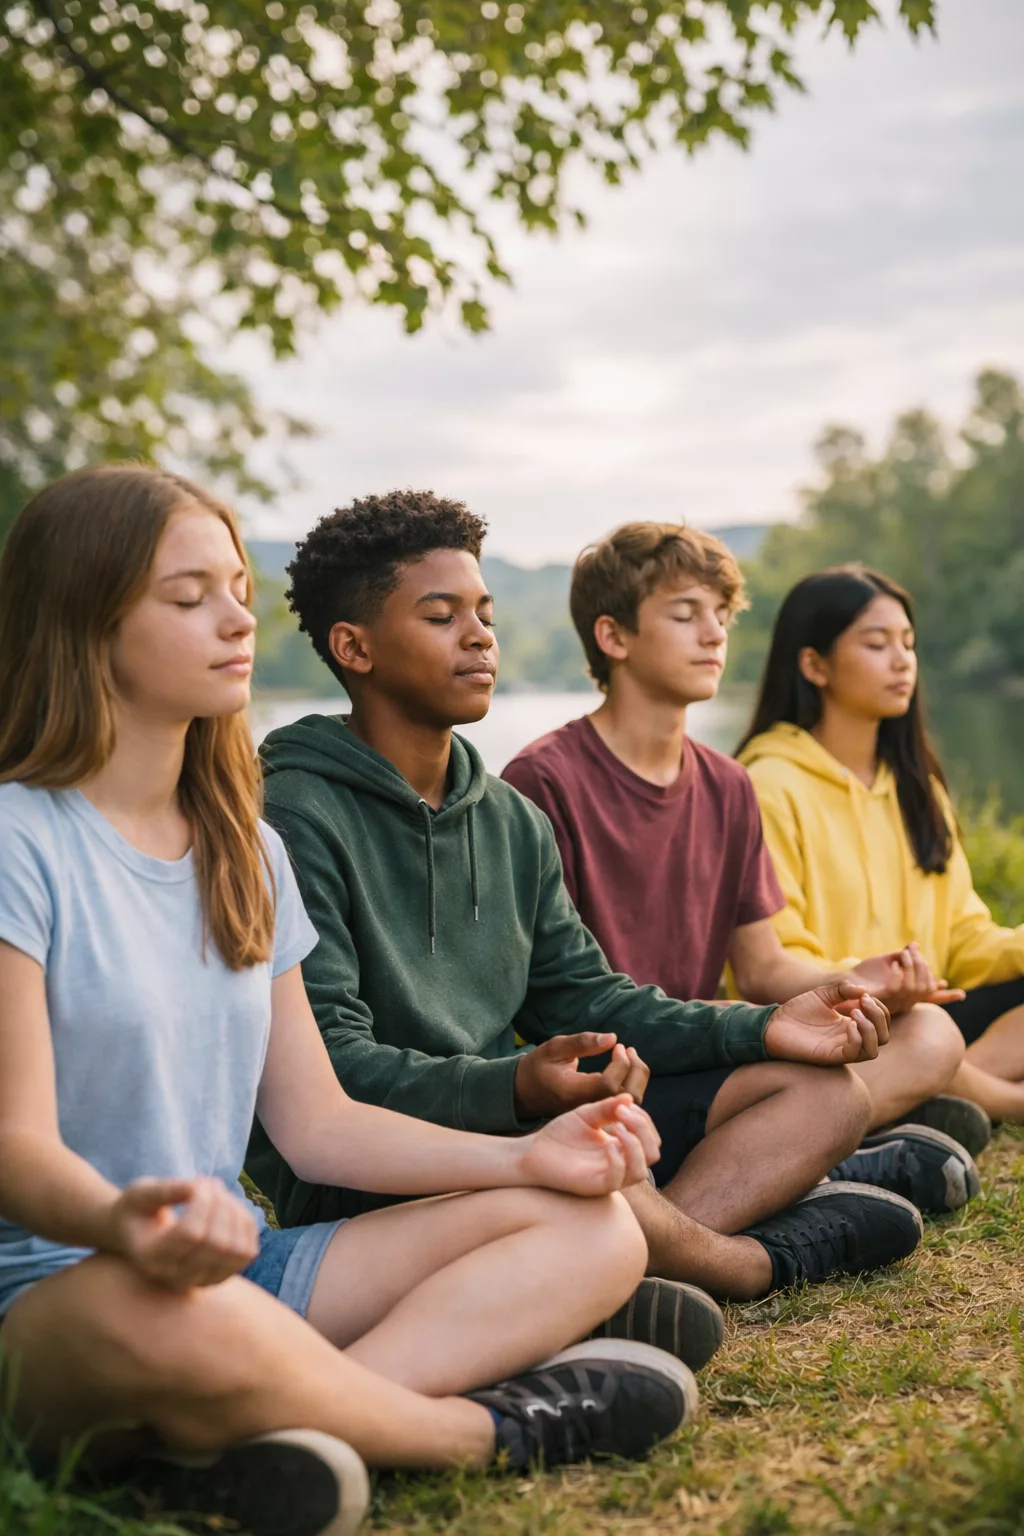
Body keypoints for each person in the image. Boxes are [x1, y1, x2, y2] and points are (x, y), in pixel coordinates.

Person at [0, 465, 705, 1536]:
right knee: (167, 1314)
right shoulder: (19, 843)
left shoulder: (248, 850)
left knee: (596, 1227)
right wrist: (118, 1222)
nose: (237, 619)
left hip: (241, 1266)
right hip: (68, 1294)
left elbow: (319, 1127)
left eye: (237, 589)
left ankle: (277, 1429)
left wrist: (525, 1158)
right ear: (81, 623)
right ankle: (481, 1428)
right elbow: (14, 1143)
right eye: (189, 598)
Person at [251, 489, 924, 1330]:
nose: (479, 635)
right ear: (355, 647)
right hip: (386, 1165)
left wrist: (761, 1028)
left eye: (484, 612)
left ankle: (633, 1258)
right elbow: (332, 1071)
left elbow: (590, 998)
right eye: (440, 615)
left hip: (521, 1128)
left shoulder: (507, 819)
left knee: (827, 1094)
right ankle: (748, 1262)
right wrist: (518, 1087)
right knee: (586, 1165)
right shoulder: (292, 815)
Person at [503, 524, 986, 1216]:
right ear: (613, 637)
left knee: (927, 1033)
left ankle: (773, 1170)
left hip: (711, 1052)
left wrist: (855, 979)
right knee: (825, 1094)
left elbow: (762, 968)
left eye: (722, 616)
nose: (713, 635)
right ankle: (699, 1228)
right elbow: (553, 1001)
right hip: (611, 1074)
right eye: (685, 614)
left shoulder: (728, 786)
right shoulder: (543, 780)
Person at [737, 564, 1024, 1126]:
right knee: (923, 1033)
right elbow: (777, 961)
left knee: (931, 1030)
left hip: (924, 1016)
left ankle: (946, 1092)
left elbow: (964, 938)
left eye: (908, 644)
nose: (902, 661)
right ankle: (987, 1099)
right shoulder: (765, 784)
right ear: (814, 664)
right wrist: (879, 982)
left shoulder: (917, 788)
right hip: (838, 1024)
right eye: (877, 644)